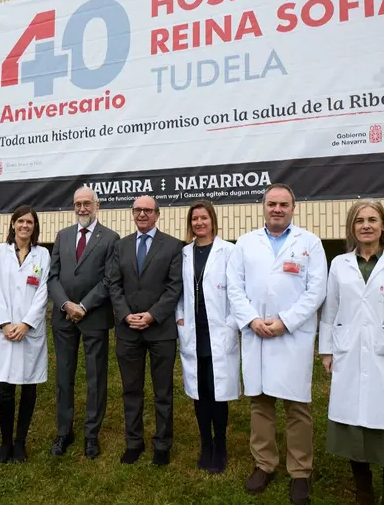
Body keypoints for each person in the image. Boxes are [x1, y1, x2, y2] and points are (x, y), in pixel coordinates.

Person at [319, 201, 384, 505]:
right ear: (352, 228)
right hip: (348, 351)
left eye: (372, 220)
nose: (366, 225)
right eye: (359, 221)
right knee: (352, 421)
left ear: (383, 225)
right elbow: (331, 309)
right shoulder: (340, 263)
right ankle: (363, 490)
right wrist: (326, 350)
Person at [227, 183, 327, 505]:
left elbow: (316, 291)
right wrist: (252, 320)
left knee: (297, 406)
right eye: (272, 203)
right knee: (260, 403)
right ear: (263, 205)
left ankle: (300, 471)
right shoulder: (245, 244)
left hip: (292, 336)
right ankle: (264, 464)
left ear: (293, 208)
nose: (277, 209)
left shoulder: (309, 243)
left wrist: (285, 321)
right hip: (256, 334)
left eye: (284, 204)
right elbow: (234, 289)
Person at [106, 195, 183, 466]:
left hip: (160, 330)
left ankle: (162, 444)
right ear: (132, 213)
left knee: (163, 391)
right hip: (128, 331)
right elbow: (113, 284)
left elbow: (175, 287)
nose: (142, 214)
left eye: (147, 210)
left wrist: (151, 316)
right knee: (131, 389)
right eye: (137, 210)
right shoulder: (120, 246)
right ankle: (133, 443)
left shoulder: (173, 246)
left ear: (157, 215)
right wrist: (126, 315)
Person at [47, 187, 119, 459]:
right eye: (77, 204)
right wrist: (66, 304)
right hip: (64, 318)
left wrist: (84, 306)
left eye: (87, 203)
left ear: (97, 205)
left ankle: (91, 434)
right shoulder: (63, 236)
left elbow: (109, 279)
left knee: (95, 378)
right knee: (64, 377)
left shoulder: (110, 238)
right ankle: (64, 432)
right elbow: (53, 277)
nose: (82, 208)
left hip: (94, 318)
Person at [175, 200, 240, 474]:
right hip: (194, 332)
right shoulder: (184, 253)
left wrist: (231, 324)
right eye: (194, 219)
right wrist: (179, 317)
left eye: (204, 218)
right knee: (199, 392)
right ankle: (205, 444)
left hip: (220, 332)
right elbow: (178, 291)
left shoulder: (229, 251)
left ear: (212, 220)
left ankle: (220, 444)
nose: (199, 223)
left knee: (217, 392)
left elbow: (238, 292)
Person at [0, 206, 50, 463]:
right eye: (21, 221)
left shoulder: (43, 254)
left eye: (30, 222)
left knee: (28, 386)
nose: (25, 226)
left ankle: (20, 442)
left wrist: (26, 324)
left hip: (29, 331)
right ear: (13, 224)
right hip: (4, 331)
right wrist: (5, 324)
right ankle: (4, 443)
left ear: (34, 227)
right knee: (5, 388)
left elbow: (43, 289)